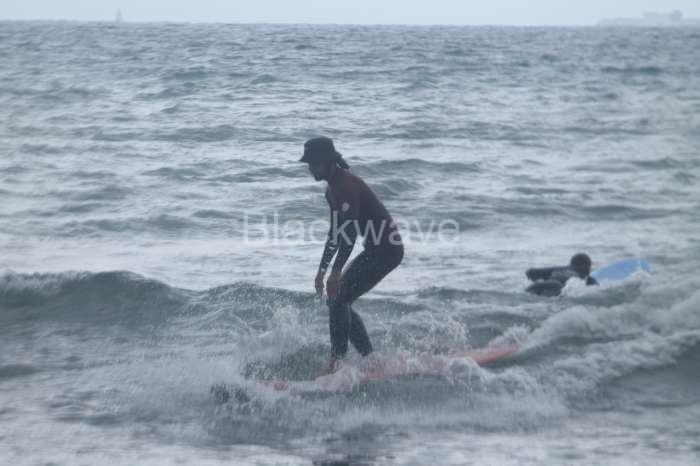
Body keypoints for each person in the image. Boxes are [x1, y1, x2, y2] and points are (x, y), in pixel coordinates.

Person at [299, 136, 404, 374]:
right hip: (375, 249)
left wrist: (336, 272)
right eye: (309, 164)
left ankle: (337, 361)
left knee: (338, 297)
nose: (310, 168)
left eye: (314, 163)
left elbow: (350, 234)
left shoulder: (346, 187)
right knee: (339, 298)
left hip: (388, 251)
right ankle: (370, 358)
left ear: (328, 162)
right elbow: (335, 233)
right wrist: (322, 270)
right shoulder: (332, 191)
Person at [525, 253, 598, 297]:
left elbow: (530, 272)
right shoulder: (587, 277)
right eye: (589, 266)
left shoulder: (558, 269)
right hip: (556, 287)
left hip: (537, 285)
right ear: (585, 266)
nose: (590, 269)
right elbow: (597, 290)